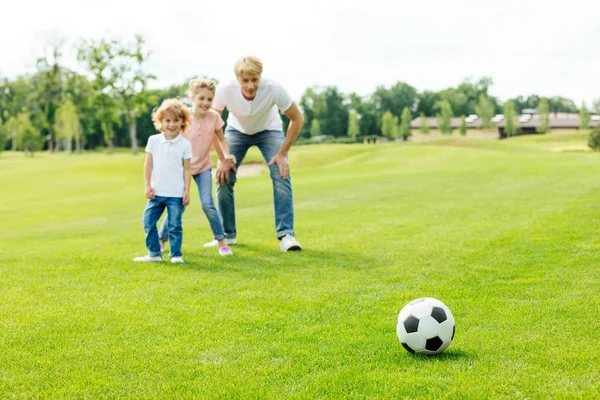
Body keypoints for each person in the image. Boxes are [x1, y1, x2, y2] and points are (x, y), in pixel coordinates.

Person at [208, 56, 304, 252]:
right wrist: (221, 158)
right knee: (223, 177)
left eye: (255, 80)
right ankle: (228, 235)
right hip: (236, 131)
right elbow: (211, 121)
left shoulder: (274, 89)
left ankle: (286, 234)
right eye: (245, 80)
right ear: (237, 79)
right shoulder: (225, 89)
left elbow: (297, 118)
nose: (250, 85)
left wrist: (282, 153)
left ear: (261, 77)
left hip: (269, 130)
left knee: (281, 173)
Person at [158, 79, 235, 256]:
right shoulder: (184, 118)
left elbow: (221, 139)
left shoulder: (214, 117)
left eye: (209, 99)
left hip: (203, 168)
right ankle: (161, 240)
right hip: (180, 169)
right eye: (201, 98)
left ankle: (222, 243)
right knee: (177, 205)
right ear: (192, 97)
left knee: (208, 203)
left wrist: (226, 155)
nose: (206, 103)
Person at [134, 98, 192, 263]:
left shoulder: (185, 144)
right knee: (148, 222)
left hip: (176, 194)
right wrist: (147, 185)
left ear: (182, 122)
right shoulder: (153, 141)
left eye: (176, 120)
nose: (171, 124)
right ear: (161, 121)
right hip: (156, 192)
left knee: (174, 227)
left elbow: (187, 169)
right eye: (167, 120)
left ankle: (176, 255)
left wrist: (187, 190)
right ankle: (154, 254)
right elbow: (148, 164)